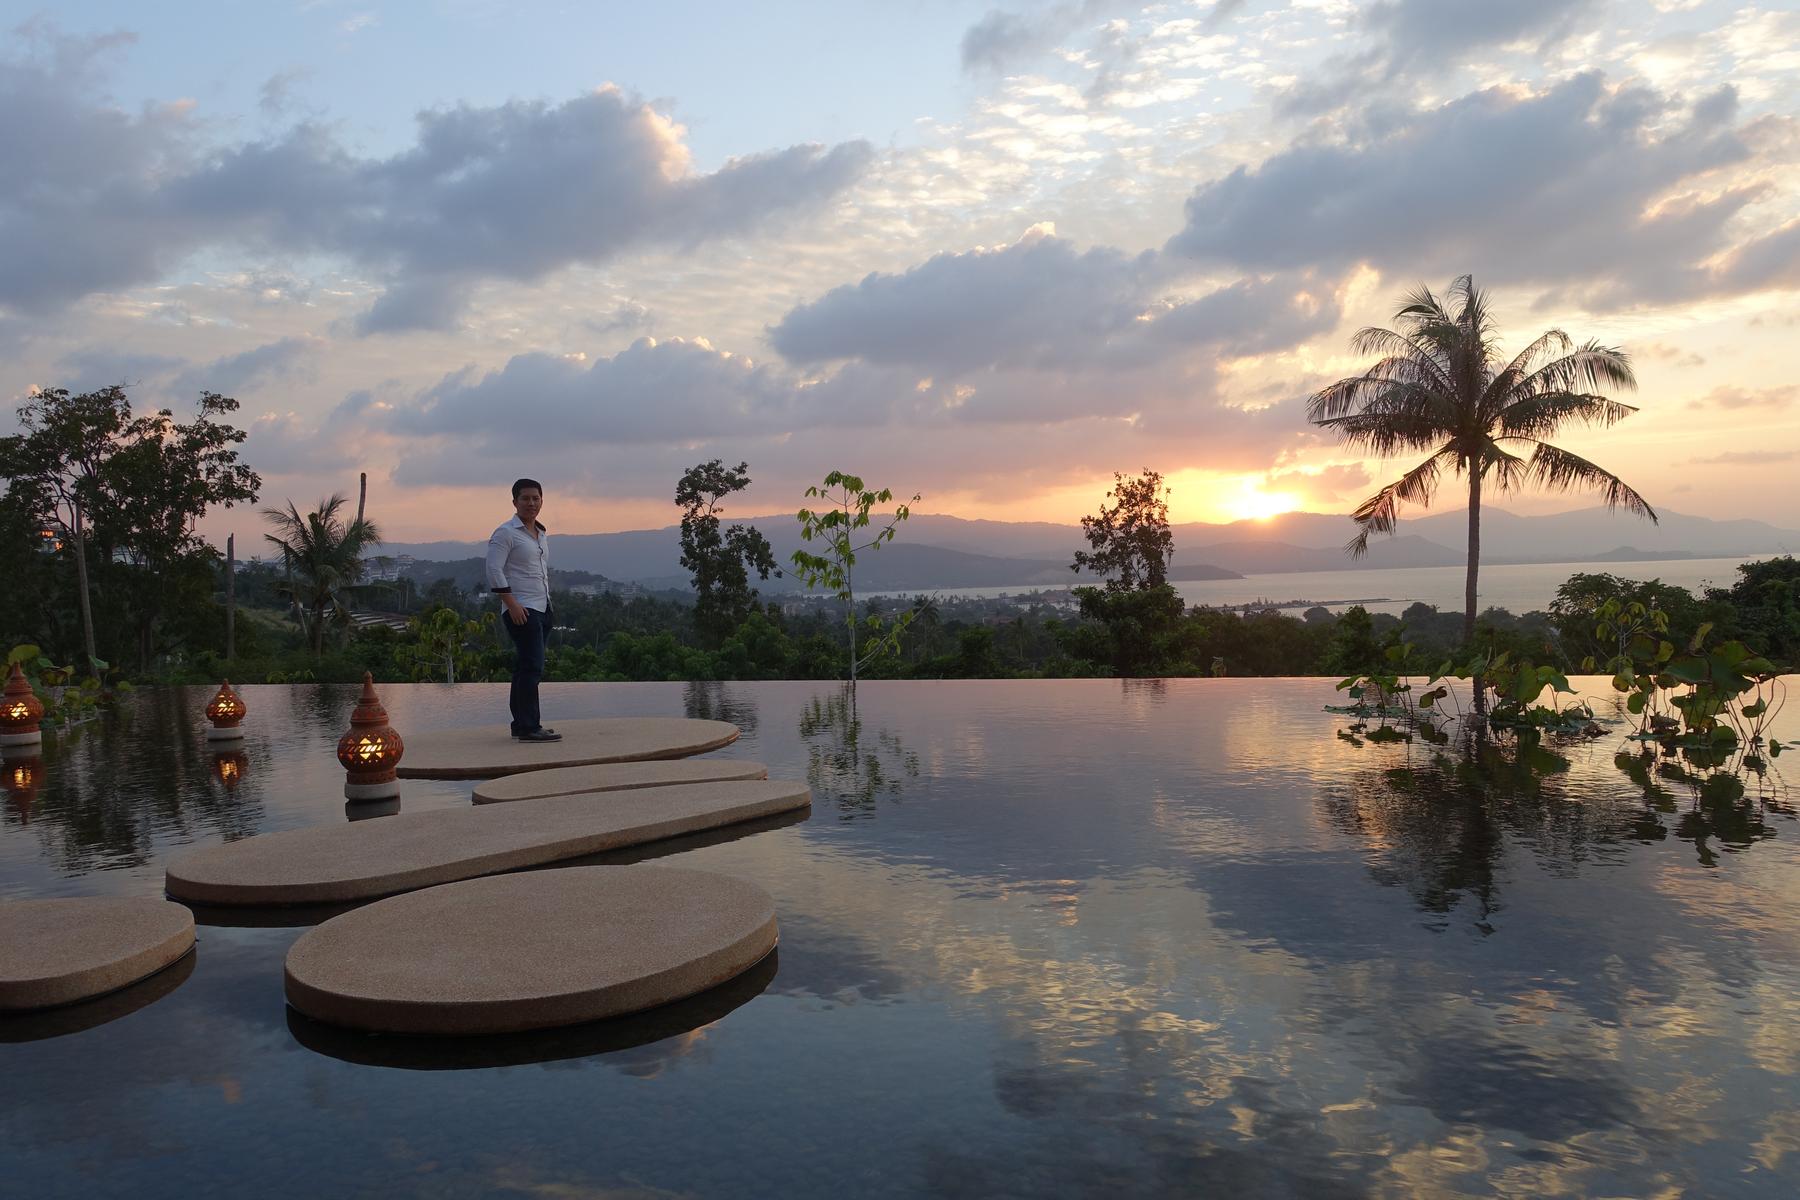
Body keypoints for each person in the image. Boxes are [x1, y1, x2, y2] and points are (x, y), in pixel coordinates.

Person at [486, 478, 561, 741]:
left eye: (535, 498)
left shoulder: (540, 532)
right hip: (522, 608)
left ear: (542, 501)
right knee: (533, 667)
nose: (531, 503)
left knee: (525, 667)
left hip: (542, 607)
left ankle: (521, 724)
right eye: (525, 498)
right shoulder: (505, 532)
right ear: (515, 501)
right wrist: (512, 604)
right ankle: (530, 727)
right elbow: (494, 569)